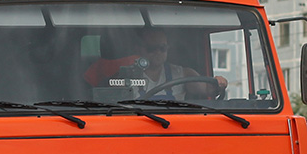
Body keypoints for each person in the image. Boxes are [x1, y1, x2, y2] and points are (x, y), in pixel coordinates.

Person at [84, 27, 226, 101]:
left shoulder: (182, 74)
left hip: (175, 129)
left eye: (162, 48)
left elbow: (207, 90)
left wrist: (218, 83)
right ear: (138, 49)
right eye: (152, 48)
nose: (158, 52)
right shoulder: (123, 76)